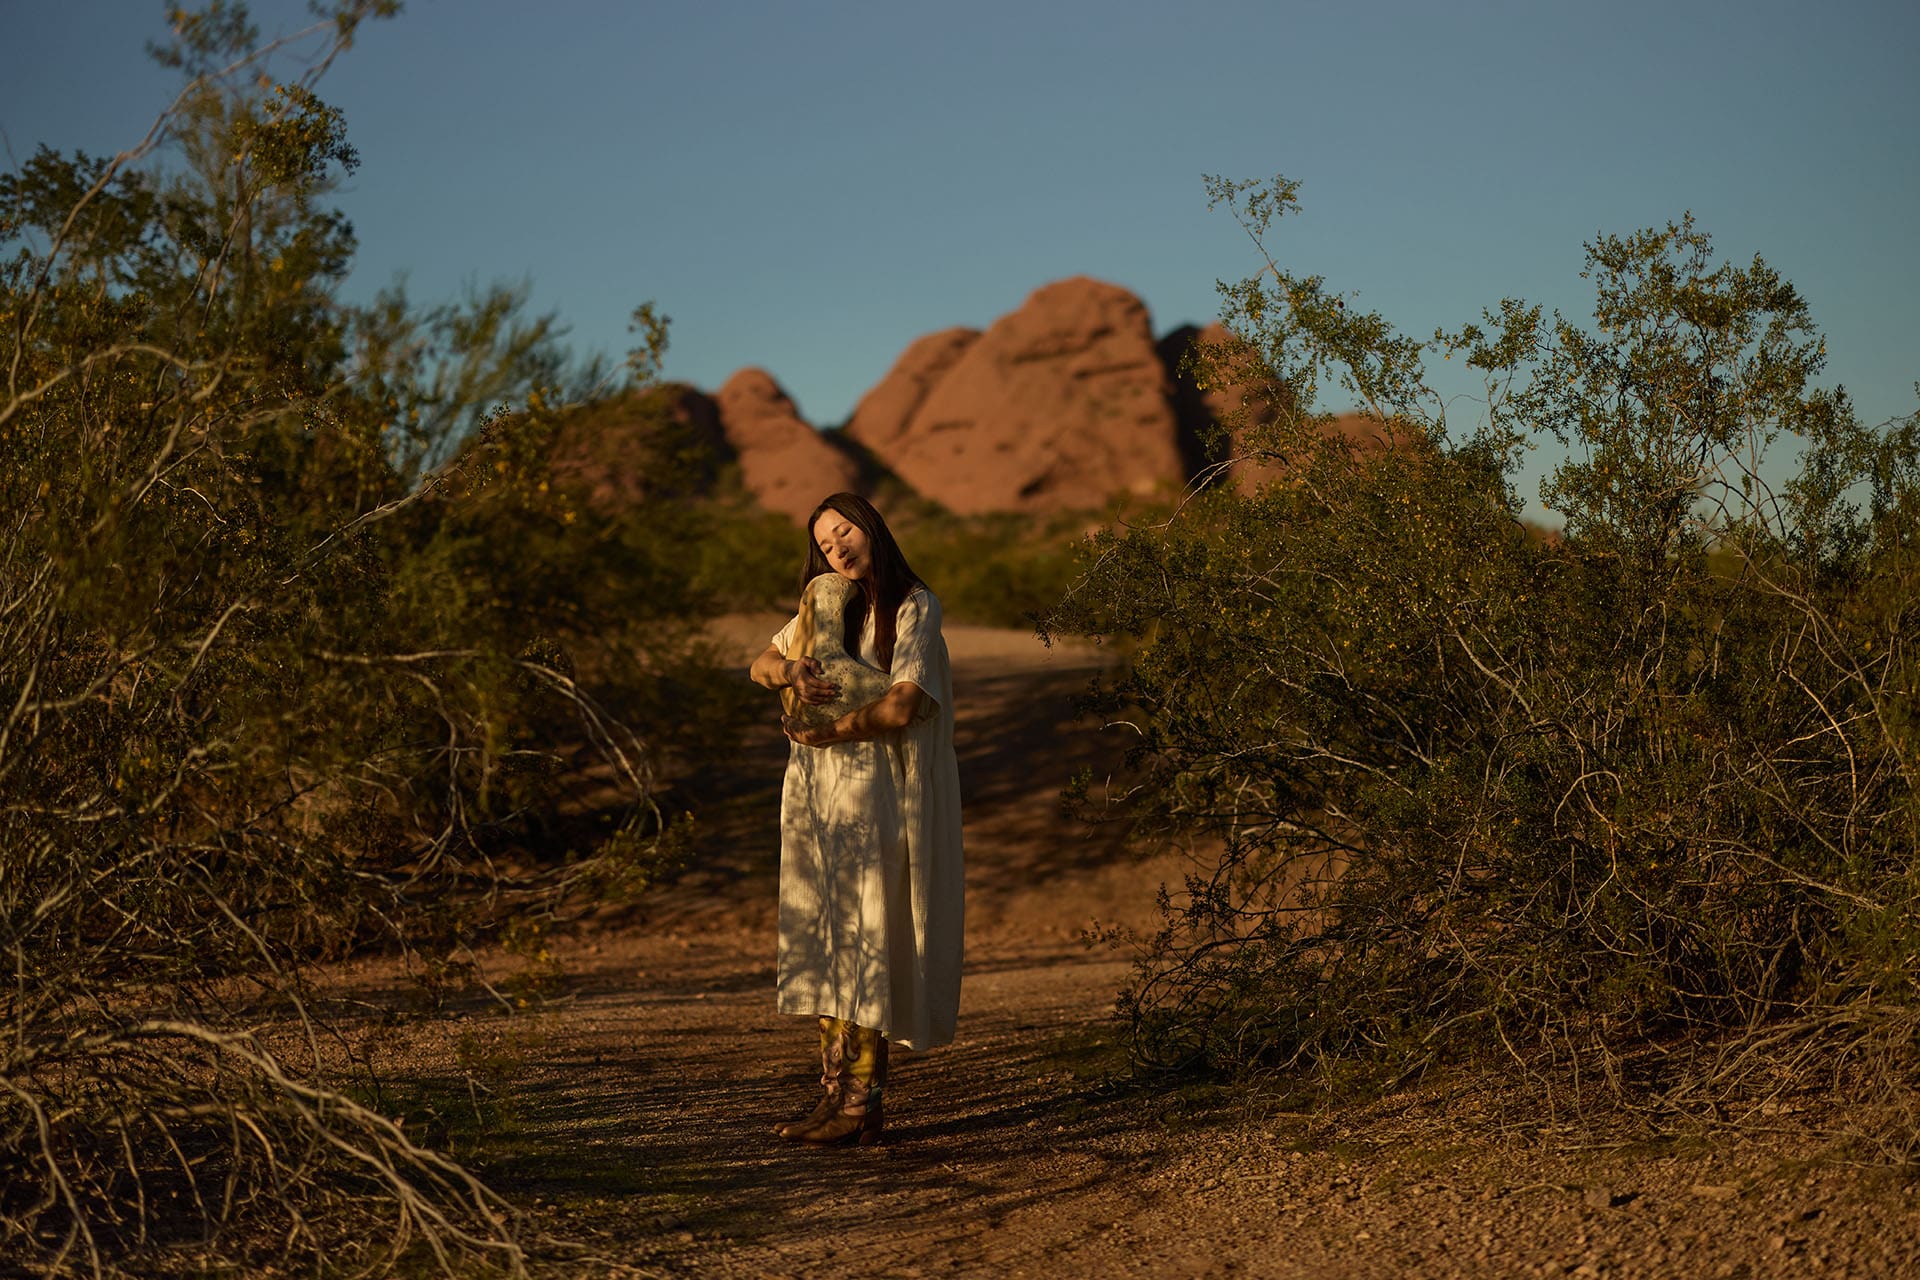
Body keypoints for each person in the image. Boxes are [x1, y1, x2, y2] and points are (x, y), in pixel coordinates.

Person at [747, 493, 964, 1145]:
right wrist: (789, 670)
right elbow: (758, 665)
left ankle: (860, 1107)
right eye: (825, 541)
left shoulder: (913, 606)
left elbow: (900, 708)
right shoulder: (825, 608)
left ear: (872, 528)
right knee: (826, 940)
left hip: (871, 794)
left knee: (865, 936)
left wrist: (829, 731)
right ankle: (833, 1099)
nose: (837, 546)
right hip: (817, 794)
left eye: (845, 531)